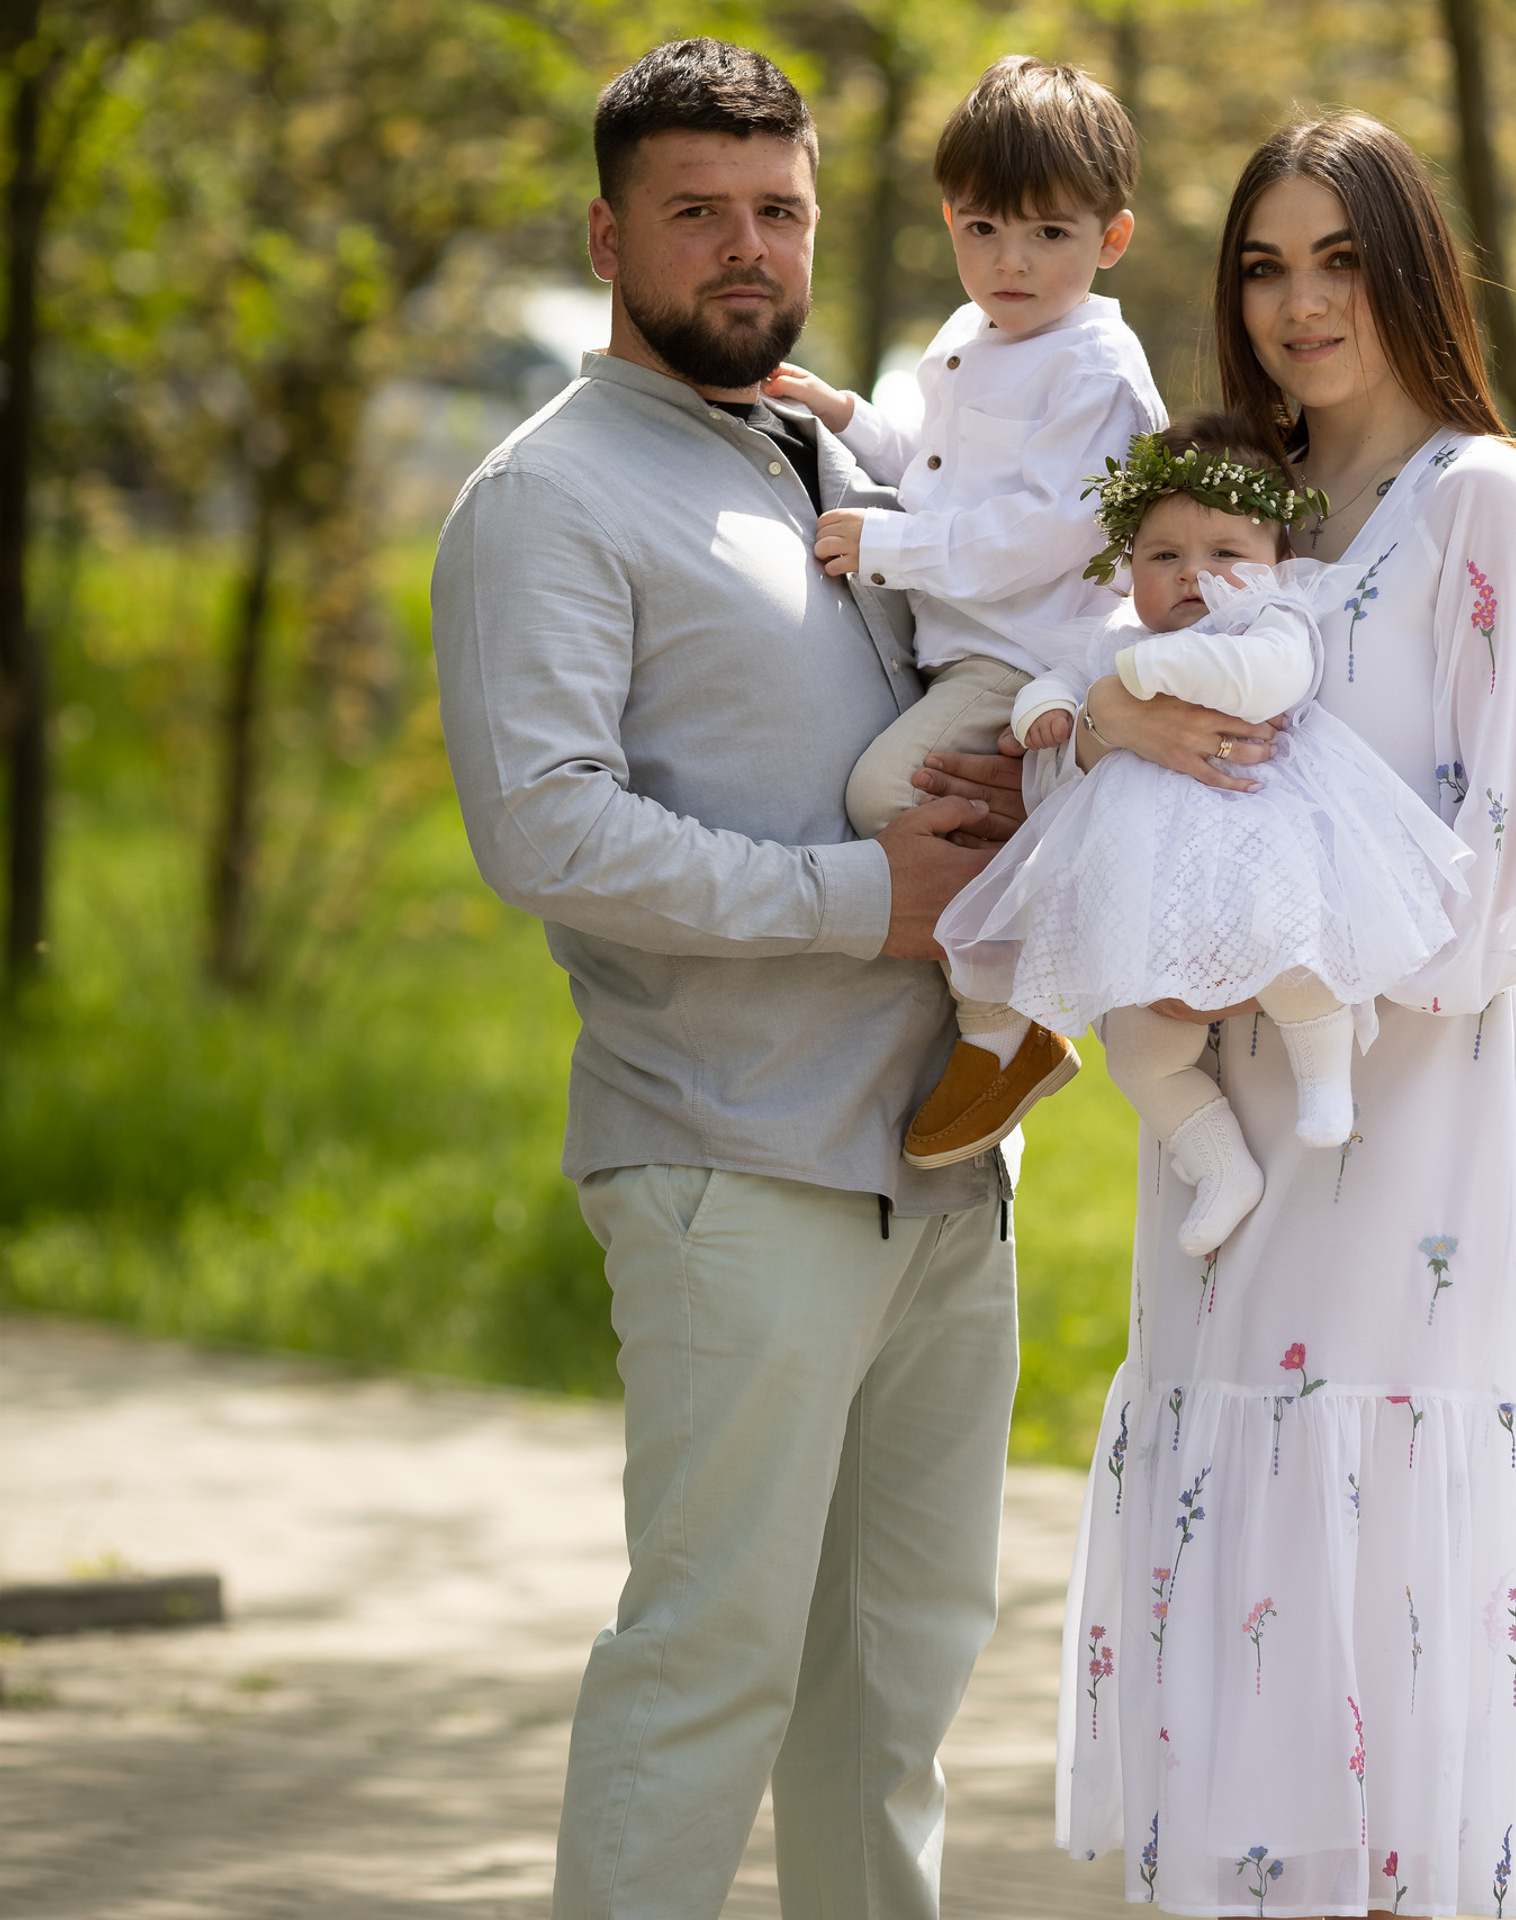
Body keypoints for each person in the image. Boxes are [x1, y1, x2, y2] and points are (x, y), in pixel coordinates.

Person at [430, 39, 1037, 1920]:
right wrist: (866, 902)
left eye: (775, 209)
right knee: (710, 1668)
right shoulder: (547, 499)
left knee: (894, 1693)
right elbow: (546, 831)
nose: (744, 248)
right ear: (608, 234)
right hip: (735, 1164)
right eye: (696, 213)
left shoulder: (837, 452)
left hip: (939, 1176)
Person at [1043, 114, 1516, 1917]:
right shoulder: (1228, 513)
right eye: (1263, 266)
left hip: (1408, 1160)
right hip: (1220, 1174)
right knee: (1236, 1606)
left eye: (1338, 259)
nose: (1300, 305)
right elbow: (1089, 711)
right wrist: (1105, 728)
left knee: (1384, 1618)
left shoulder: (1488, 510)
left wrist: (1269, 952)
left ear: (1409, 268)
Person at [938, 417, 1473, 1258]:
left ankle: (1324, 1079)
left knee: (1297, 958)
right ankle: (1220, 1164)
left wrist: (1156, 677)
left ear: (1272, 558)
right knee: (1141, 1051)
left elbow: (1269, 680)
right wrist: (1046, 709)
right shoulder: (1116, 639)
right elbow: (1062, 679)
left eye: (1225, 552)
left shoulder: (1269, 622)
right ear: (1130, 566)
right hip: (1149, 893)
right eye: (1164, 557)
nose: (1195, 576)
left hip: (1255, 850)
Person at [766, 54, 1167, 1172]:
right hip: (971, 647)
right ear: (950, 222)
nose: (1013, 261)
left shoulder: (1095, 367)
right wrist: (850, 417)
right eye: (984, 229)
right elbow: (942, 466)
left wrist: (891, 548)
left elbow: (1054, 530)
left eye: (1049, 234)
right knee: (908, 789)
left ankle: (1008, 1026)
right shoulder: (974, 333)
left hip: (1033, 653)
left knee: (886, 791)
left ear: (1111, 240)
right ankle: (1018, 956)